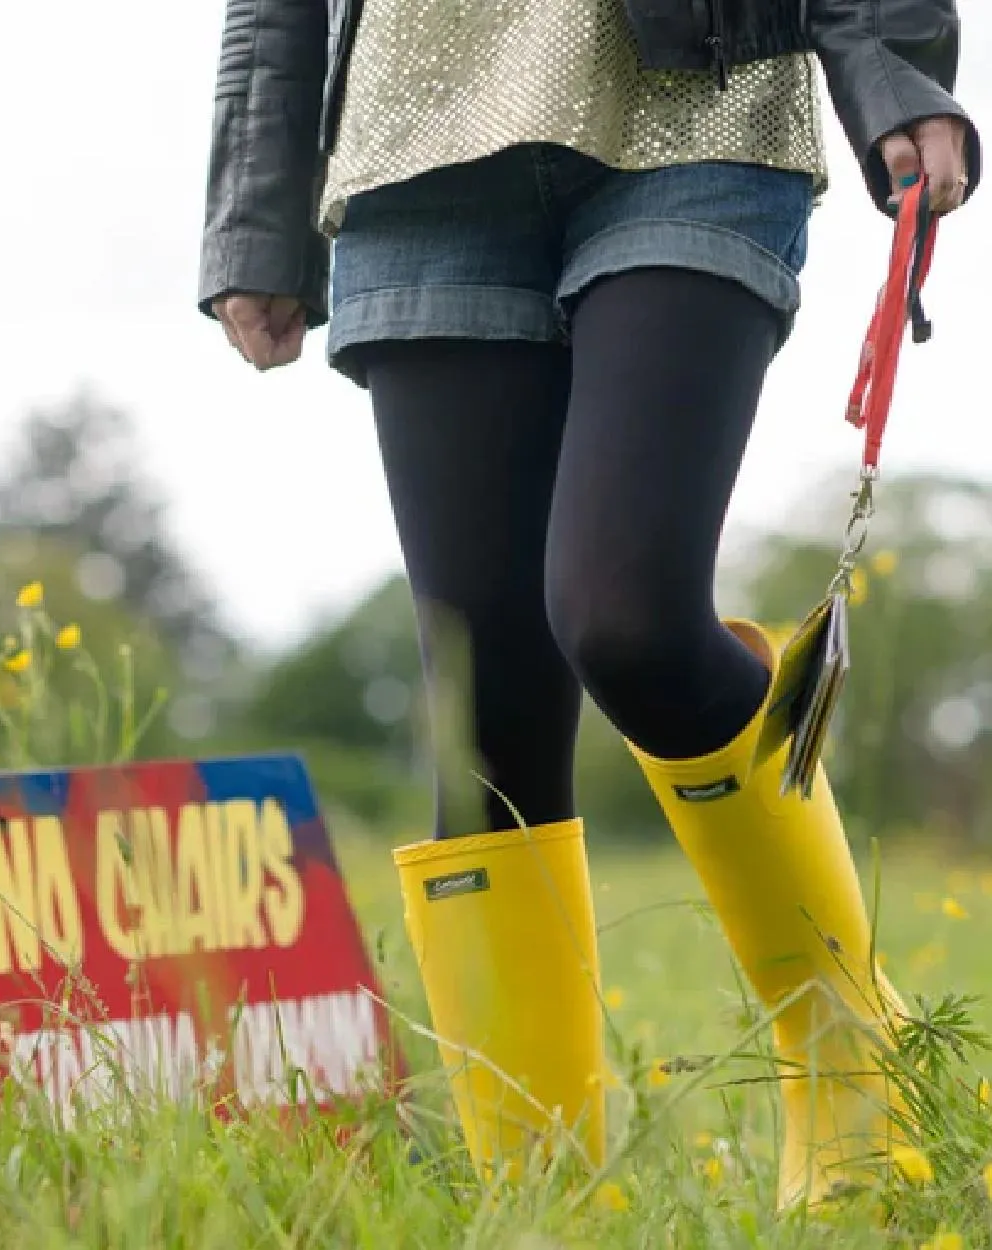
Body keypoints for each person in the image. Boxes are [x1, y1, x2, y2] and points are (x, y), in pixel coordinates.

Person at [198, 0, 981, 1208]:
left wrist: (892, 67)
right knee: (484, 715)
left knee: (627, 616)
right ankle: (541, 1192)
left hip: (698, 102)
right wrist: (257, 211)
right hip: (417, 140)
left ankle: (851, 1060)